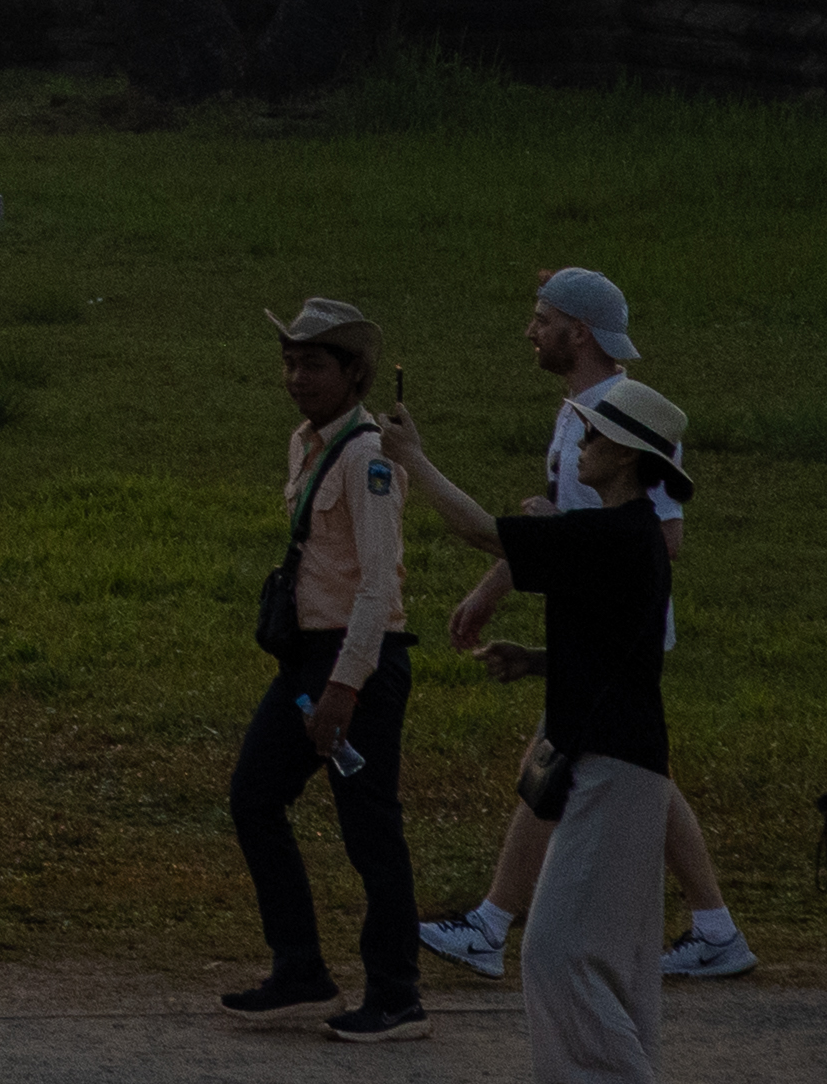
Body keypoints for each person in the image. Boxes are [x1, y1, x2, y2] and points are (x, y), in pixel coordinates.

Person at [426, 269, 751, 1001]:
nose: (529, 331)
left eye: (542, 319)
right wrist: (490, 590)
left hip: (621, 634)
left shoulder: (626, 419)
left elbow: (663, 539)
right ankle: (715, 928)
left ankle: (491, 925)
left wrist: (562, 540)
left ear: (579, 332)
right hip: (587, 629)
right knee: (623, 773)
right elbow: (558, 540)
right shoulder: (580, 413)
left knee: (561, 767)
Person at [461, 372, 695, 1080]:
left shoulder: (615, 533)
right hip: (621, 764)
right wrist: (538, 661)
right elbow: (618, 648)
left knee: (556, 952)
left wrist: (411, 459)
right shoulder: (625, 537)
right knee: (607, 962)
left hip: (612, 769)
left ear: (624, 455)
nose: (581, 446)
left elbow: (478, 531)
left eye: (592, 435)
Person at [241, 296, 436, 1042]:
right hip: (307, 655)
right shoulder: (307, 442)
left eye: (313, 364)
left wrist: (344, 687)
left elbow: (379, 585)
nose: (296, 377)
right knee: (254, 796)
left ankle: (396, 994)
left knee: (369, 830)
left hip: (360, 661)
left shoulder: (367, 457)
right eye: (290, 362)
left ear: (353, 373)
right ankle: (300, 967)